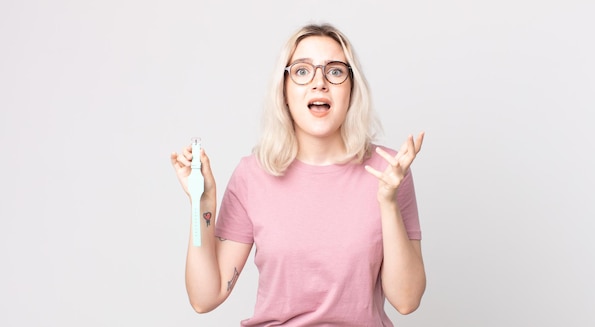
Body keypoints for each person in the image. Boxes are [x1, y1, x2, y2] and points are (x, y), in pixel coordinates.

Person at [170, 23, 426, 326]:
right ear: (285, 91)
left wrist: (388, 202)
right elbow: (205, 298)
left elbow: (406, 300)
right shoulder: (253, 175)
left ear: (352, 90)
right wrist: (202, 203)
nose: (320, 83)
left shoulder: (388, 171)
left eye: (334, 71)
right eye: (302, 71)